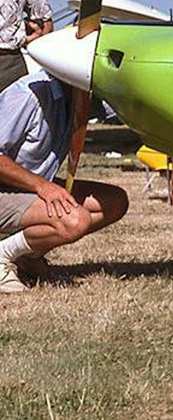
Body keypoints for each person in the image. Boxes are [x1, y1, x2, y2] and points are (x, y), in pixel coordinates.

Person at [0, 69, 128, 293]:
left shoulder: (82, 92)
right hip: (7, 188)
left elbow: (124, 111)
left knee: (113, 201)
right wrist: (43, 186)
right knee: (74, 220)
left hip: (27, 186)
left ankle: (28, 257)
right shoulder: (28, 95)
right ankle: (3, 255)